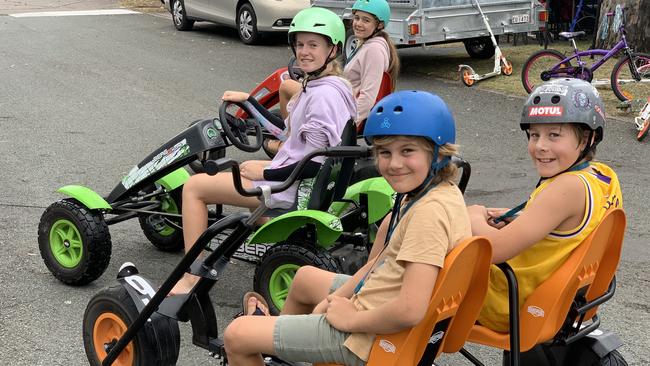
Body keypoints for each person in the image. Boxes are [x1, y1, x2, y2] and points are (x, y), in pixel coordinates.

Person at [223, 90, 471, 366]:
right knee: (304, 277)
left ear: (438, 152)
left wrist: (351, 317)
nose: (394, 164)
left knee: (237, 335)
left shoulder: (428, 215)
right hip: (379, 302)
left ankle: (276, 343)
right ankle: (286, 354)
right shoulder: (435, 193)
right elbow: (376, 264)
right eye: (384, 152)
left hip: (368, 337)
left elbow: (410, 309)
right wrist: (337, 299)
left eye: (408, 151)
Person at [169, 7, 356, 295]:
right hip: (296, 180)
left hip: (289, 187)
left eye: (313, 45)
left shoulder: (322, 96)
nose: (304, 51)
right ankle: (262, 228)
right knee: (243, 167)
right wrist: (249, 103)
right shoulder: (331, 85)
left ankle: (192, 275)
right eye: (300, 44)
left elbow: (315, 163)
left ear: (333, 48)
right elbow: (288, 133)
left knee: (194, 187)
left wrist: (266, 171)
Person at [467, 78, 623, 332]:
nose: (540, 146)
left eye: (554, 135)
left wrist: (472, 216)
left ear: (587, 138)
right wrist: (521, 219)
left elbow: (494, 250)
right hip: (563, 299)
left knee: (425, 264)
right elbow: (569, 229)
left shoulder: (566, 188)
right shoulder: (602, 177)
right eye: (535, 134)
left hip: (512, 302)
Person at [267, 0, 400, 154]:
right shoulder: (367, 43)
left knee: (285, 86)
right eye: (357, 18)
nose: (358, 24)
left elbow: (369, 96)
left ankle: (291, 141)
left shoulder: (374, 50)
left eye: (366, 20)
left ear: (380, 25)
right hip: (343, 100)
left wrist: (347, 125)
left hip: (346, 110)